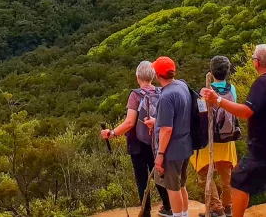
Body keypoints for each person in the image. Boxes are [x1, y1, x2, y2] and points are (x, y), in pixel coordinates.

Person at [201, 45, 266, 217]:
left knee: (238, 181)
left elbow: (246, 112)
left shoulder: (262, 83)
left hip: (264, 146)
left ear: (257, 63)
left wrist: (217, 100)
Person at [101, 61, 173, 217]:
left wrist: (112, 133)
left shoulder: (135, 95)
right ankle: (168, 206)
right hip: (156, 142)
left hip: (137, 144)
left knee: (142, 178)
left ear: (137, 76)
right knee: (158, 174)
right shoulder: (161, 92)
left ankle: (145, 211)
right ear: (153, 76)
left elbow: (129, 122)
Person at [191, 56, 238, 217]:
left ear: (211, 72)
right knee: (227, 175)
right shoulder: (232, 89)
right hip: (227, 138)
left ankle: (216, 208)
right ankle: (228, 207)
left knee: (204, 172)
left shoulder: (206, 91)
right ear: (228, 71)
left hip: (210, 139)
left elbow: (201, 113)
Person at [151, 56, 193, 217]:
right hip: (185, 145)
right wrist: (157, 121)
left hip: (172, 150)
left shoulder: (166, 96)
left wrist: (160, 155)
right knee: (181, 185)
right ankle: (185, 214)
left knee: (172, 188)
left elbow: (166, 129)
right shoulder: (182, 86)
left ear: (157, 75)